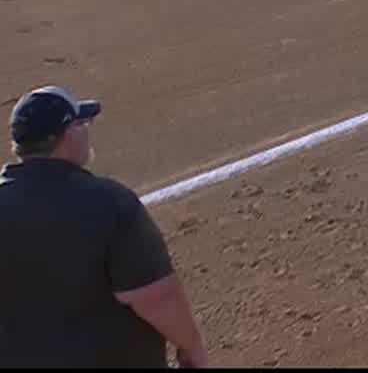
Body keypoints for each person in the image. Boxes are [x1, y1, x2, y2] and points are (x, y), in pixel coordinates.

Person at [0, 86, 210, 368]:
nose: (87, 131)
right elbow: (155, 297)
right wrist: (192, 347)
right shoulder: (109, 203)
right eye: (82, 123)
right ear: (68, 133)